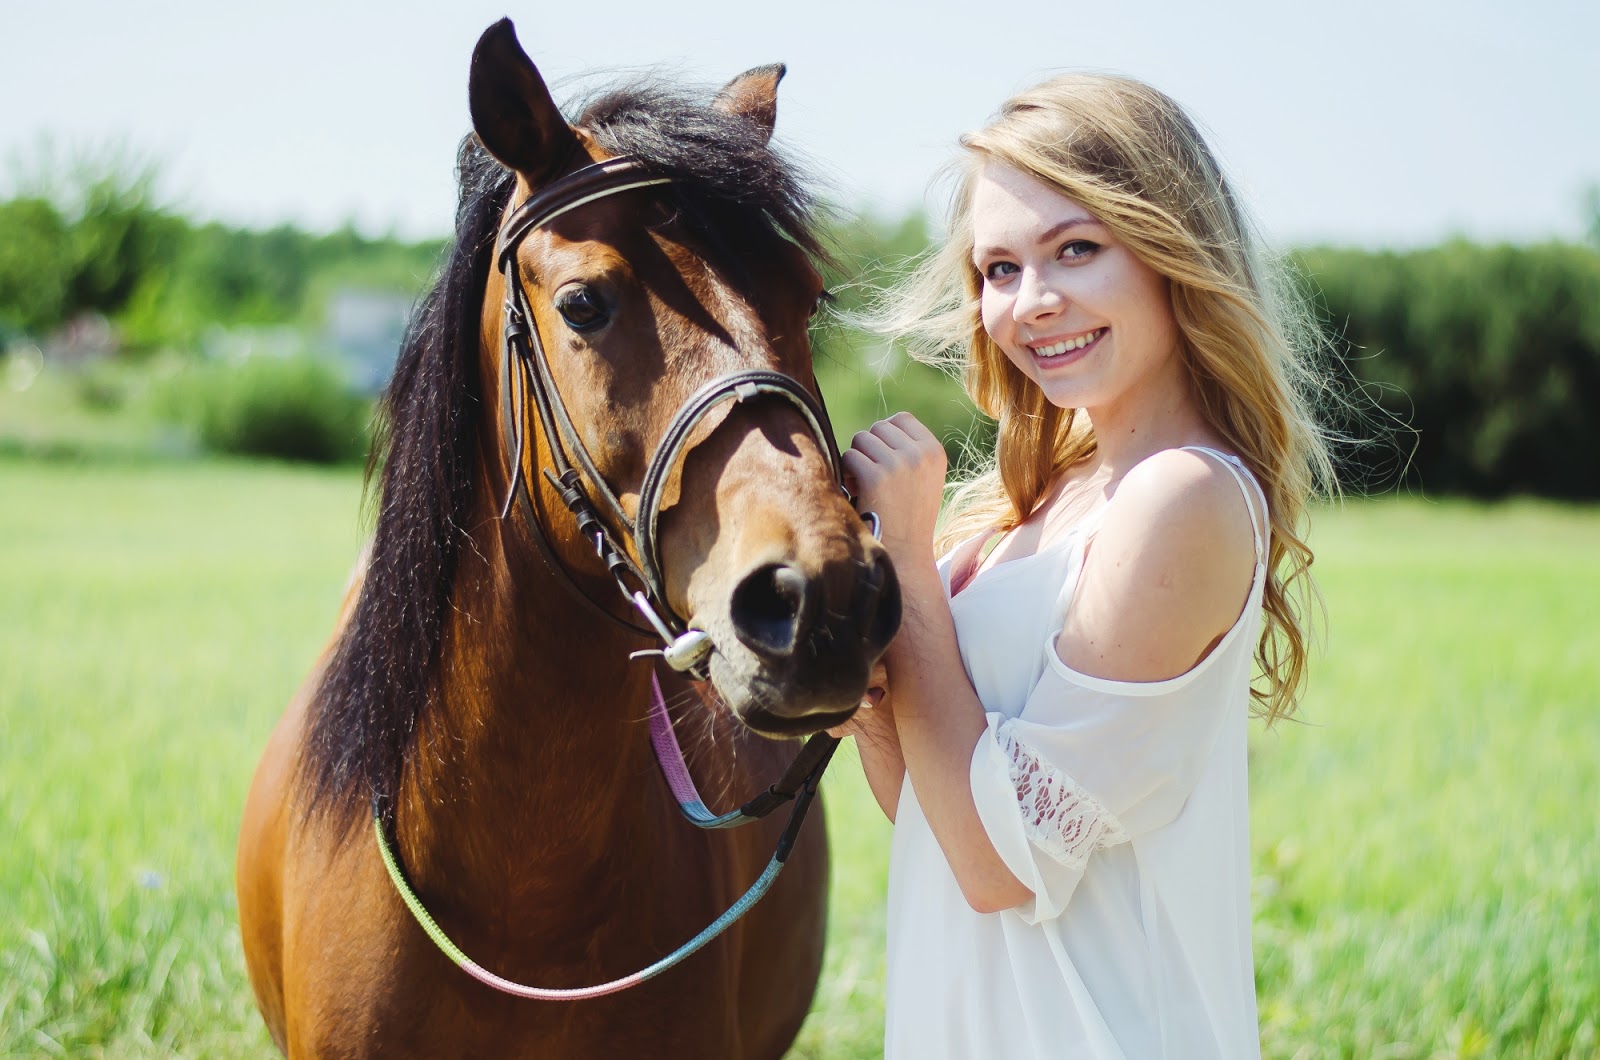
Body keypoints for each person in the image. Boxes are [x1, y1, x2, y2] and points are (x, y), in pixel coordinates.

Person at [833, 73, 1333, 1058]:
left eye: (1075, 249)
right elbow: (935, 821)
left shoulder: (1179, 497)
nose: (1032, 301)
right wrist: (866, 682)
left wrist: (910, 563)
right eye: (998, 268)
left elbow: (1000, 866)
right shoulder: (1024, 512)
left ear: (1168, 247)